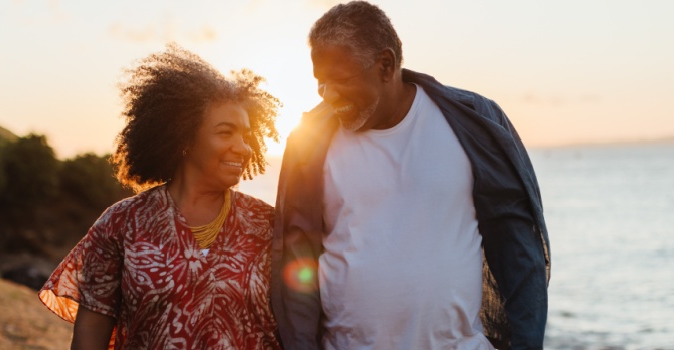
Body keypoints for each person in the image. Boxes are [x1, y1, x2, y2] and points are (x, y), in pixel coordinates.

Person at [270, 2, 550, 349]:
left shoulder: (473, 122)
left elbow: (518, 250)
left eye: (339, 80)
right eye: (320, 83)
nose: (328, 95)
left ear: (385, 65)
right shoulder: (309, 144)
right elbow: (299, 257)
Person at [38, 44, 282, 350]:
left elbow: (305, 317)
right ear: (184, 138)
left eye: (246, 136)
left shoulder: (268, 226)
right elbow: (91, 329)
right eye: (225, 132)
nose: (243, 147)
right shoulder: (122, 223)